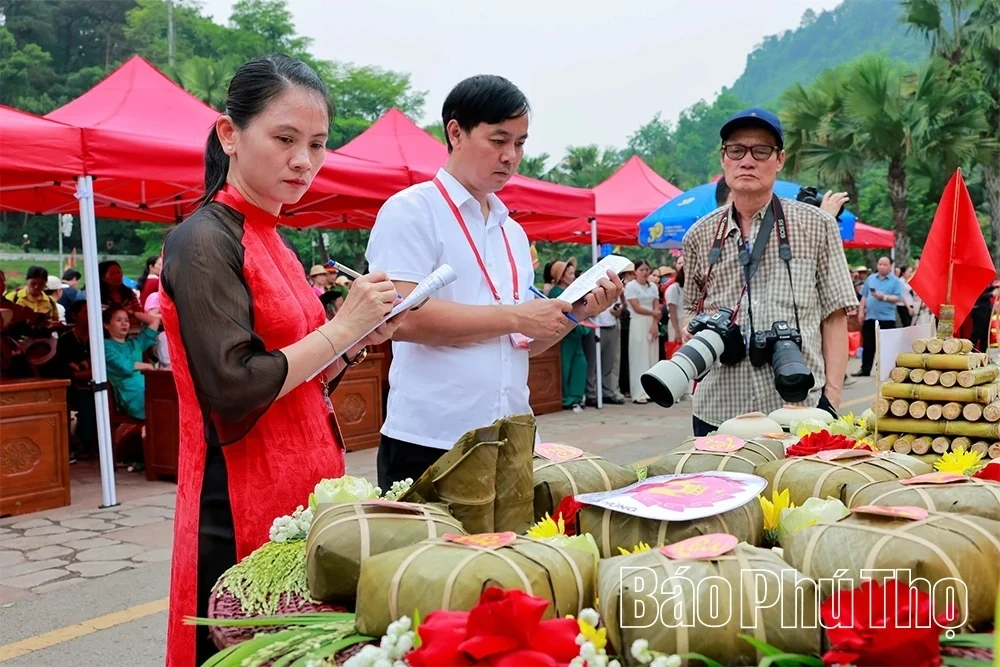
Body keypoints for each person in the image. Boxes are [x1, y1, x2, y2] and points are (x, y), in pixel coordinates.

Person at [160, 54, 404, 666]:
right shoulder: (202, 241)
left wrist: (360, 335)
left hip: (302, 490)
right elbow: (236, 386)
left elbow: (301, 372)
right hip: (237, 496)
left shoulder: (274, 238)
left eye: (318, 144)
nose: (304, 161)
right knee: (244, 648)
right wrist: (343, 324)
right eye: (286, 138)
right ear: (229, 135)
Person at [366, 74, 622, 488]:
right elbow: (403, 319)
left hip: (512, 436)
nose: (511, 156)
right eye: (498, 140)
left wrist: (575, 313)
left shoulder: (511, 231)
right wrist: (517, 316)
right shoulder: (412, 210)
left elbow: (522, 341)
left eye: (520, 143)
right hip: (433, 438)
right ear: (456, 132)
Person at [682, 108, 857, 435]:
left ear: (779, 159)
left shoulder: (817, 225)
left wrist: (830, 398)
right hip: (716, 410)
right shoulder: (699, 235)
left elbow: (835, 316)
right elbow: (689, 309)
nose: (747, 161)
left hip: (799, 408)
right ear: (724, 158)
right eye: (736, 150)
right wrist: (692, 331)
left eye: (761, 151)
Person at [103, 306, 160, 419]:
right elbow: (124, 366)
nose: (124, 323)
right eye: (118, 320)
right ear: (106, 325)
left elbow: (155, 321)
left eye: (126, 320)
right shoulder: (105, 346)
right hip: (131, 396)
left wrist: (133, 313)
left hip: (149, 391)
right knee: (165, 404)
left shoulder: (135, 343)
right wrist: (146, 365)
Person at [548, 259, 588, 412]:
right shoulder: (555, 292)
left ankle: (576, 397)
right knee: (565, 365)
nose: (573, 276)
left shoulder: (575, 291)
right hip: (564, 334)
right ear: (562, 276)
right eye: (570, 273)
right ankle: (565, 398)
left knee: (580, 363)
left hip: (577, 332)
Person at [855, 256, 904, 377]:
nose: (882, 266)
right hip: (871, 316)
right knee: (868, 344)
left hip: (887, 318)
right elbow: (864, 296)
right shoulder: (871, 279)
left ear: (890, 266)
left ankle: (885, 370)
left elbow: (898, 298)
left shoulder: (895, 281)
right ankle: (865, 369)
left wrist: (884, 297)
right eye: (880, 264)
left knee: (885, 345)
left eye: (885, 264)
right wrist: (861, 312)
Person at [625, 260, 659, 404]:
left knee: (652, 357)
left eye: (647, 269)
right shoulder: (631, 286)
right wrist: (653, 313)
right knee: (639, 357)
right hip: (638, 321)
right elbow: (636, 307)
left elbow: (656, 306)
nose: (645, 272)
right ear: (636, 272)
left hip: (651, 322)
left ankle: (652, 391)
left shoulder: (653, 287)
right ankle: (639, 392)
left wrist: (655, 323)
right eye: (641, 270)